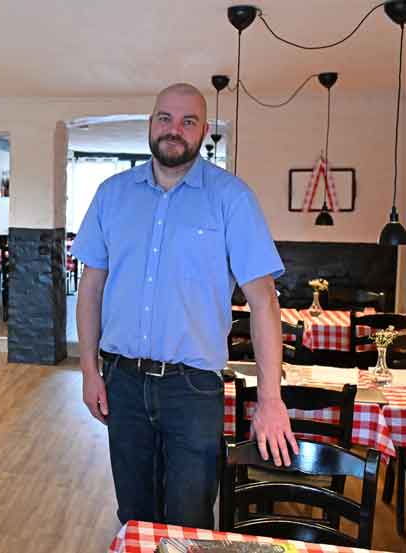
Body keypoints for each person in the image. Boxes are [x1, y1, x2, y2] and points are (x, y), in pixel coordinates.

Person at [71, 83, 299, 528]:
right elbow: (91, 289)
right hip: (122, 382)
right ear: (150, 123)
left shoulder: (231, 198)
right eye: (165, 118)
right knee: (134, 517)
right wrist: (89, 371)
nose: (174, 129)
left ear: (204, 131)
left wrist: (270, 398)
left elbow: (263, 301)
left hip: (193, 390)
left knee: (189, 519)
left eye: (188, 121)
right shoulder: (111, 194)